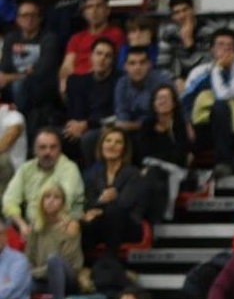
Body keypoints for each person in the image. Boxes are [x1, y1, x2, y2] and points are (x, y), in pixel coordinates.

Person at [184, 27, 234, 180]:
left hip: (232, 128)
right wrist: (186, 122)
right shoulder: (199, 71)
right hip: (202, 126)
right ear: (212, 49)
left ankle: (224, 163)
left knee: (220, 106)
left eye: (229, 46)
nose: (224, 49)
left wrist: (217, 70)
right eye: (220, 45)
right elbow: (185, 100)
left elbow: (222, 96)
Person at [3, 128, 85, 240]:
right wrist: (21, 225)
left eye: (53, 147)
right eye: (42, 147)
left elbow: (59, 204)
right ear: (35, 150)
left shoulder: (69, 169)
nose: (48, 152)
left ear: (60, 149)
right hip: (30, 226)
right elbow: (9, 199)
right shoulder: (26, 168)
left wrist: (34, 229)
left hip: (61, 223)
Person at [80, 127, 149, 260]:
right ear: (101, 145)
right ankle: (85, 264)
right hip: (100, 223)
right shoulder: (92, 174)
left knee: (113, 211)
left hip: (128, 225)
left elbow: (124, 203)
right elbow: (88, 203)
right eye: (108, 141)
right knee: (84, 222)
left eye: (118, 142)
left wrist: (98, 204)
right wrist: (100, 201)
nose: (112, 145)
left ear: (124, 148)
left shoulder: (133, 174)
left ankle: (109, 262)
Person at [135, 83, 194, 221]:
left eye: (166, 98)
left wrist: (157, 160)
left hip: (176, 172)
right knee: (154, 178)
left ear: (174, 103)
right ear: (153, 103)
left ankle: (142, 218)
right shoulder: (147, 125)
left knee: (154, 175)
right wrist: (162, 159)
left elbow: (180, 157)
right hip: (153, 172)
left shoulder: (180, 124)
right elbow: (142, 154)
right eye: (159, 98)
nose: (162, 101)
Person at [24, 183, 82, 299]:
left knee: (54, 259)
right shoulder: (35, 226)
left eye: (56, 197)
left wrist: (35, 272)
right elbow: (28, 258)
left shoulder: (70, 225)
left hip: (67, 279)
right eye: (47, 197)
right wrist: (32, 272)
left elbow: (69, 262)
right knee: (17, 282)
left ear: (63, 203)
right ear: (41, 200)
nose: (51, 201)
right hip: (43, 280)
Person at [62, 38, 119, 163]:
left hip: (103, 127)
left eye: (107, 56)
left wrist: (87, 124)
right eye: (99, 53)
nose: (102, 58)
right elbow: (74, 112)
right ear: (91, 56)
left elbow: (114, 114)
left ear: (113, 61)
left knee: (88, 138)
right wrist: (76, 126)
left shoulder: (118, 82)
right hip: (78, 127)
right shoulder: (77, 80)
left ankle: (93, 173)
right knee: (50, 134)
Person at [0, 0, 58, 119]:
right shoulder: (11, 38)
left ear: (40, 18)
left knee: (19, 84)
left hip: (41, 85)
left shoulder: (49, 38)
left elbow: (43, 70)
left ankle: (21, 119)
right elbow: (5, 66)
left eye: (33, 15)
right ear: (17, 19)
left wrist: (13, 76)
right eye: (24, 15)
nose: (29, 19)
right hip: (13, 84)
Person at [59, 0, 124, 91]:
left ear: (107, 11)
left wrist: (82, 80)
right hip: (75, 85)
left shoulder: (116, 34)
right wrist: (64, 83)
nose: (94, 10)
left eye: (99, 6)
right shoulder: (76, 38)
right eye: (89, 7)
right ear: (84, 13)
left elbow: (109, 65)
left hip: (100, 84)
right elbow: (67, 66)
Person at [156, 0, 217, 91]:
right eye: (177, 12)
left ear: (193, 10)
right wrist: (175, 79)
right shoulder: (169, 33)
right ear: (173, 16)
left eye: (185, 10)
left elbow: (207, 67)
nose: (182, 15)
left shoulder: (209, 30)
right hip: (179, 81)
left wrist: (189, 43)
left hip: (206, 80)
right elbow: (162, 65)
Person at [111, 45, 171, 136]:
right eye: (132, 63)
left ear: (149, 64)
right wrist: (132, 125)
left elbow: (163, 120)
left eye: (142, 62)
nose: (138, 67)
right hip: (130, 133)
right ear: (125, 66)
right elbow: (122, 119)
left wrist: (134, 125)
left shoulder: (162, 82)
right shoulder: (122, 84)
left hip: (158, 132)